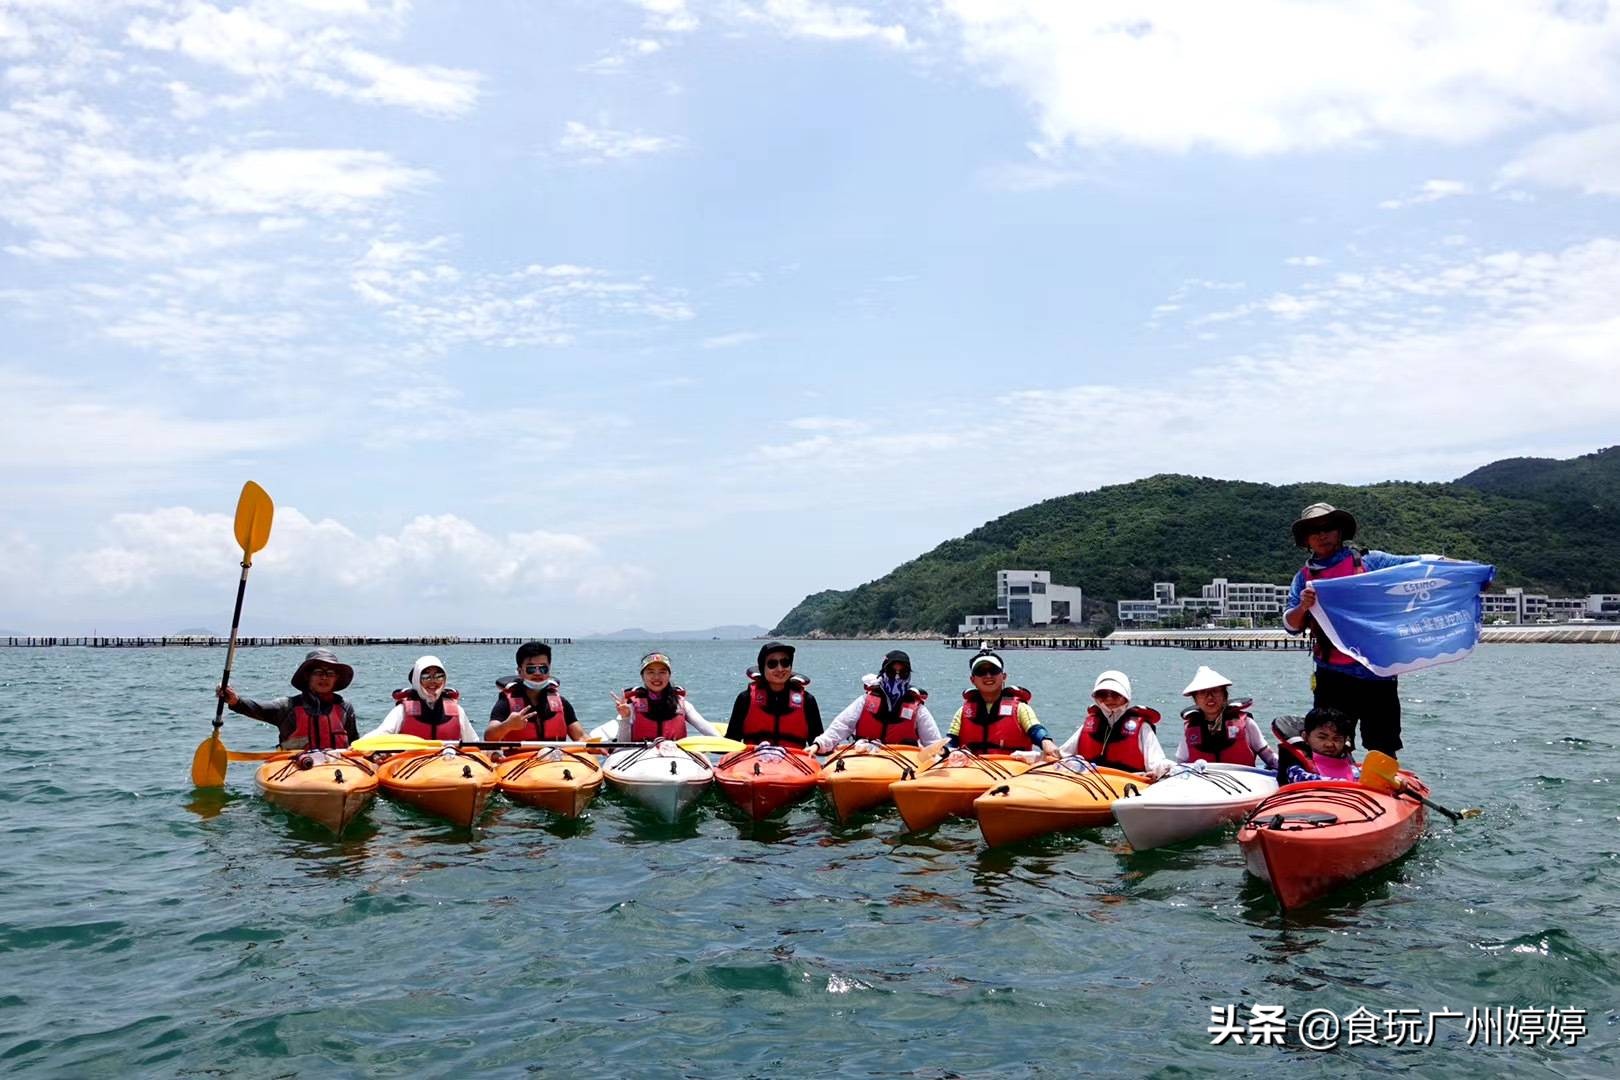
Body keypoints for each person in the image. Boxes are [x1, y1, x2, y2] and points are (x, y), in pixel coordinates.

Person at [1281, 502, 1424, 756]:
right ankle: (1333, 790)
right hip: (1332, 676)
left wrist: (1471, 573)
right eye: (1314, 531)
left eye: (1328, 528)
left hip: (1378, 673)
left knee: (1383, 746)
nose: (1322, 535)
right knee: (1330, 745)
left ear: (1340, 531)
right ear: (1306, 540)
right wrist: (1303, 607)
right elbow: (1291, 625)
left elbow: (1420, 568)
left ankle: (1382, 790)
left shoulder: (1373, 562)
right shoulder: (1304, 577)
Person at [216, 647, 360, 750]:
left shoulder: (345, 707)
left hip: (338, 768)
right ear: (307, 676)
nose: (324, 677)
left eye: (330, 673)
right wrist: (234, 700)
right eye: (318, 672)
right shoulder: (287, 706)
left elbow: (354, 743)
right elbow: (257, 708)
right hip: (296, 769)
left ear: (336, 679)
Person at [809, 649, 942, 754]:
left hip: (904, 762)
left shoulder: (918, 709)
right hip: (867, 756)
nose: (897, 676)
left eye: (903, 672)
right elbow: (841, 726)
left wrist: (943, 752)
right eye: (892, 671)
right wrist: (819, 744)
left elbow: (933, 742)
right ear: (882, 673)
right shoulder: (865, 701)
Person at [946, 649, 1059, 757]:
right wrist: (944, 750)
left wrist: (1046, 742)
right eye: (981, 672)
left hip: (1013, 769)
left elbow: (1035, 730)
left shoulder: (1020, 709)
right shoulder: (962, 712)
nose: (988, 676)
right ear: (972, 680)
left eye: (993, 671)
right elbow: (951, 741)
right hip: (973, 770)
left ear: (1004, 676)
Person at [1061, 670, 1171, 777]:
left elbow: (1157, 763)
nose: (1109, 699)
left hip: (1129, 784)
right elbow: (1063, 754)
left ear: (1126, 697)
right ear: (1096, 698)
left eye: (1115, 694)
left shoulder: (1142, 727)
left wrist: (1163, 770)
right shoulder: (1090, 724)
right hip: (1090, 782)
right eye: (1103, 694)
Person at [592, 651, 720, 742]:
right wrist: (625, 718)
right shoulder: (630, 705)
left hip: (676, 756)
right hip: (641, 756)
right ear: (642, 676)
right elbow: (622, 745)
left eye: (662, 672)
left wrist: (724, 743)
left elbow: (703, 727)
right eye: (650, 672)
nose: (656, 677)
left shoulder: (682, 704)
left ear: (669, 676)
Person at [1174, 665, 1277, 770]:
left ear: (1225, 695)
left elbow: (1269, 757)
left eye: (1215, 691)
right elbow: (1180, 764)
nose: (1209, 697)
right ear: (1195, 699)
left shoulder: (1247, 723)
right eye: (1202, 692)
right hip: (1203, 783)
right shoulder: (1189, 729)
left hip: (1242, 783)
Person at [724, 641, 823, 749]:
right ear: (762, 668)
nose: (780, 669)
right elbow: (731, 743)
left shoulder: (808, 701)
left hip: (794, 763)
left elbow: (820, 745)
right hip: (754, 762)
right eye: (772, 664)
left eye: (785, 663)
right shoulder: (745, 699)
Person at [361, 655, 481, 742]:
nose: (433, 682)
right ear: (417, 680)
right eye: (426, 677)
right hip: (412, 770)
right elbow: (380, 735)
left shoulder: (457, 711)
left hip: (448, 767)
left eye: (439, 676)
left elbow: (473, 742)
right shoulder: (402, 711)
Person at [486, 641, 586, 741]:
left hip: (557, 755)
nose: (538, 673)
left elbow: (581, 737)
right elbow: (489, 737)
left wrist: (597, 747)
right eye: (531, 669)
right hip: (522, 756)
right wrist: (507, 725)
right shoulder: (505, 702)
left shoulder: (561, 702)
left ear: (549, 669)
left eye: (543, 669)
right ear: (520, 671)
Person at [1273, 708, 1360, 785]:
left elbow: (1357, 773)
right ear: (1305, 737)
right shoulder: (1296, 760)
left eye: (1336, 739)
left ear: (1345, 740)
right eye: (1322, 737)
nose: (1329, 744)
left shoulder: (1346, 758)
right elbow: (1300, 778)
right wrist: (1343, 782)